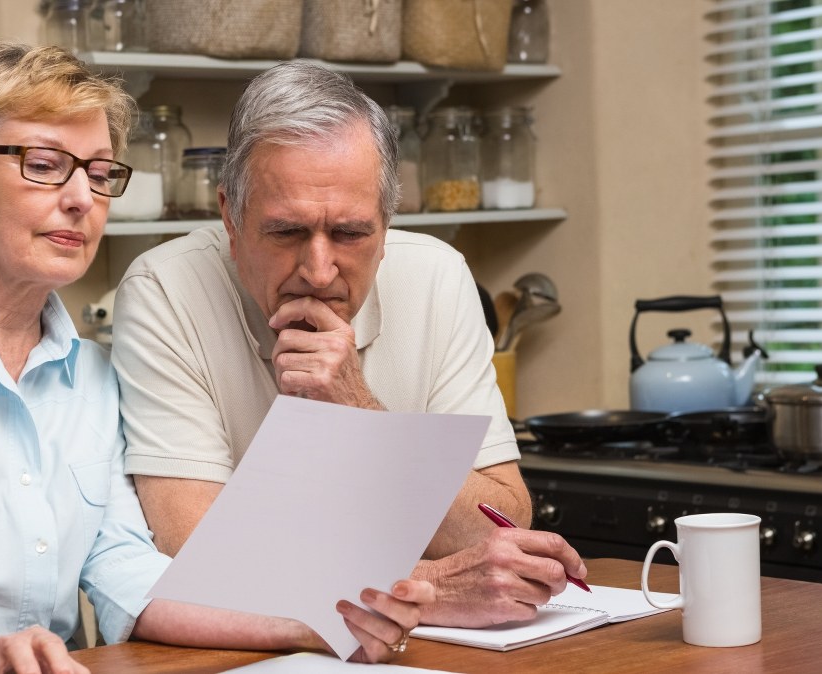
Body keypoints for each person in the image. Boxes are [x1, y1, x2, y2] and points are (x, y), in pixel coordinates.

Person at [0, 43, 433, 674]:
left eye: (100, 176)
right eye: (44, 166)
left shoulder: (93, 377)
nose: (80, 199)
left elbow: (124, 571)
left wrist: (310, 623)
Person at [112, 60, 587, 629]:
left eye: (351, 233)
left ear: (386, 224)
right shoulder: (165, 289)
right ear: (230, 219)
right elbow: (193, 555)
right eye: (286, 231)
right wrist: (426, 586)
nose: (318, 271)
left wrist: (357, 409)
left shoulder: (437, 276)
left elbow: (499, 526)